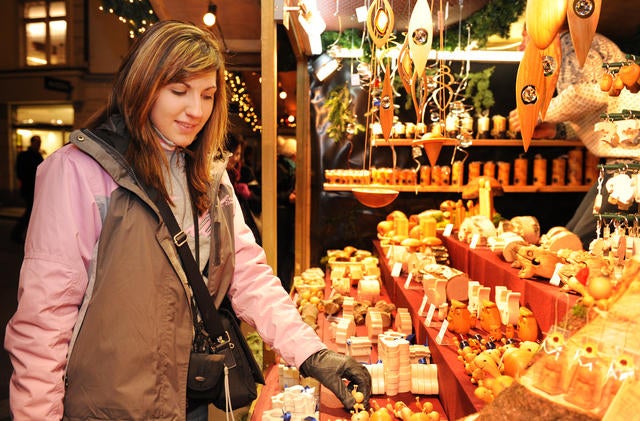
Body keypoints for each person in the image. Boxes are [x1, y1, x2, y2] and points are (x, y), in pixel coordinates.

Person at [4, 21, 370, 421]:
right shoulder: (77, 172)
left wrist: (312, 352)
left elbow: (247, 276)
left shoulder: (209, 172)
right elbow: (44, 322)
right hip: (107, 409)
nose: (196, 110)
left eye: (208, 95)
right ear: (143, 84)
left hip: (189, 401)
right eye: (179, 91)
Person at [509, 23, 638, 249]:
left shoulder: (572, 43)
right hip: (621, 162)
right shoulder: (569, 46)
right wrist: (556, 129)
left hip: (630, 165)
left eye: (524, 37)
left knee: (578, 242)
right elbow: (596, 112)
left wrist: (537, 111)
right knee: (568, 236)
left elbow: (591, 94)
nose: (521, 47)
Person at [226, 132, 262, 245]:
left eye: (239, 154)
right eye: (234, 154)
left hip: (245, 227)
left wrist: (249, 195)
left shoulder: (245, 172)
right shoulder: (216, 176)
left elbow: (259, 204)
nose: (236, 159)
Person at [10, 135, 43, 243]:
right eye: (37, 142)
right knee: (30, 212)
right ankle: (17, 233)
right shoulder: (24, 155)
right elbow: (20, 171)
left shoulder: (38, 156)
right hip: (28, 188)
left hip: (35, 188)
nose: (38, 145)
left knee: (31, 212)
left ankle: (19, 233)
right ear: (32, 143)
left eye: (40, 143)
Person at [276, 136, 297, 292]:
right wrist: (288, 197)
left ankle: (286, 285)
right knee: (283, 254)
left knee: (287, 254)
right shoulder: (278, 168)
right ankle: (283, 287)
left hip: (287, 215)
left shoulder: (289, 167)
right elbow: (269, 193)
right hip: (281, 215)